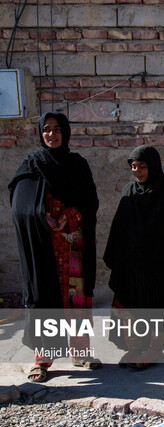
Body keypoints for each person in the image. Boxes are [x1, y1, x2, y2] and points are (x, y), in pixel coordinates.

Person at [9, 111, 101, 382]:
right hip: (43, 248)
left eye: (57, 128)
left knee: (76, 299)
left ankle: (80, 351)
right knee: (44, 299)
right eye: (47, 129)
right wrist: (42, 217)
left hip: (72, 245)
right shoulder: (32, 165)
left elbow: (90, 202)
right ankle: (43, 359)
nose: (51, 133)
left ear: (66, 132)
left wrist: (69, 217)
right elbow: (19, 203)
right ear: (41, 132)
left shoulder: (77, 165)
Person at [103, 146, 164, 369]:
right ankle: (135, 348)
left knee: (152, 304)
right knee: (128, 305)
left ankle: (154, 348)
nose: (137, 171)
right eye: (133, 166)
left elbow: (152, 229)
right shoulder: (129, 190)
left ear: (152, 167)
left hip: (151, 262)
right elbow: (118, 224)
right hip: (129, 262)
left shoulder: (159, 191)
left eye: (142, 167)